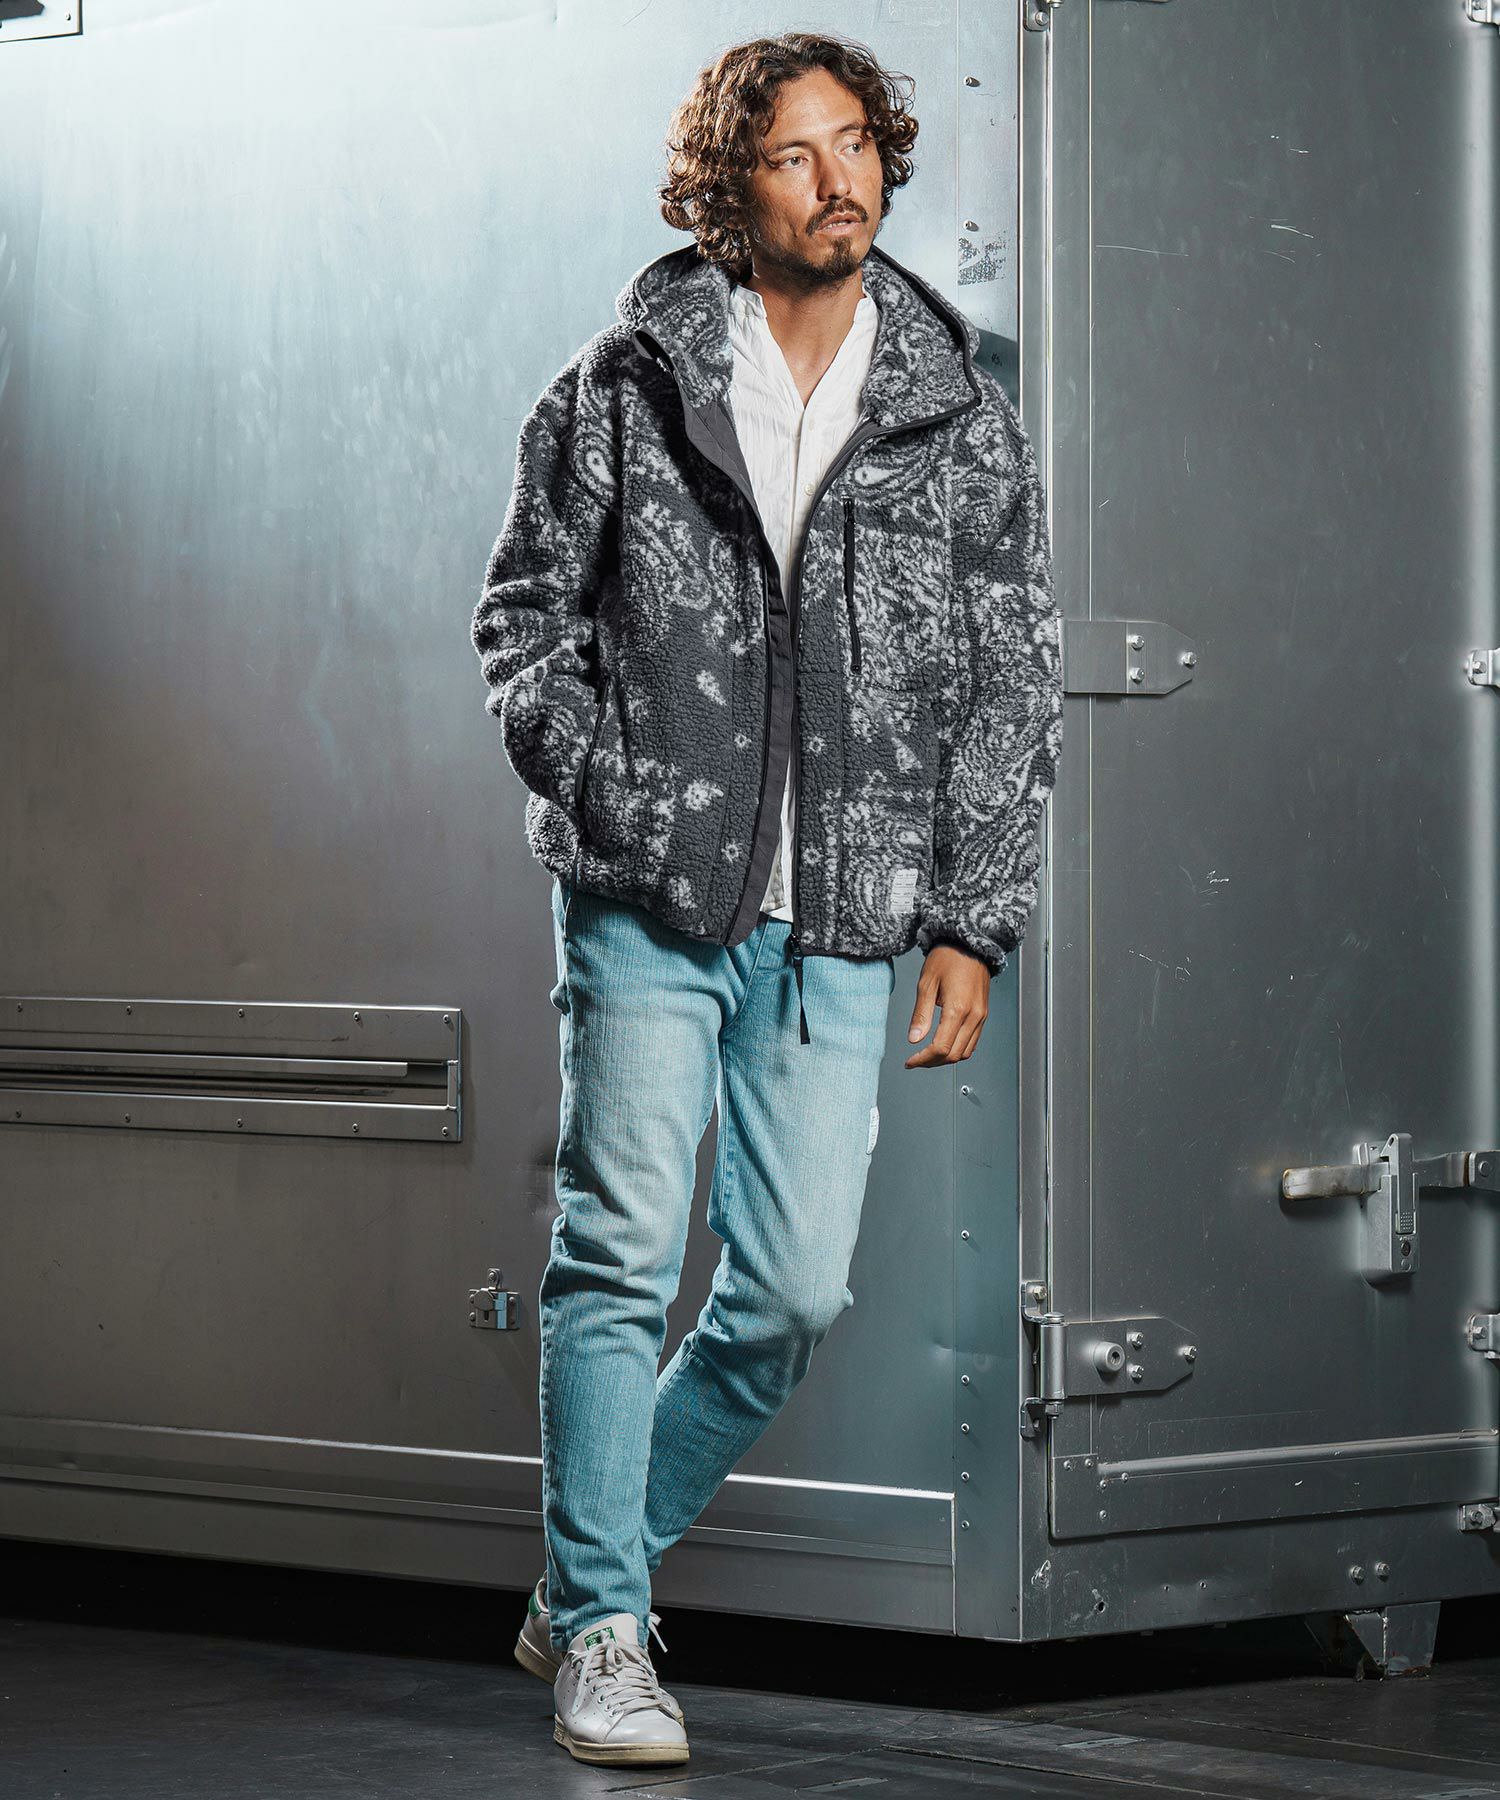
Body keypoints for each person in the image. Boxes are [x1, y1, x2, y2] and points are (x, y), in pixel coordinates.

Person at [471, 29, 1062, 1768]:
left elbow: (1010, 683)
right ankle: (605, 1630)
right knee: (617, 1255)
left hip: (840, 923)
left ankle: (585, 1570)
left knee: (793, 1292)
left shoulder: (956, 413)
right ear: (730, 186)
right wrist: (619, 797)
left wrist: (973, 917)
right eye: (797, 153)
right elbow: (523, 620)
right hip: (652, 903)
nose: (840, 178)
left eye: (858, 142)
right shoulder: (626, 385)